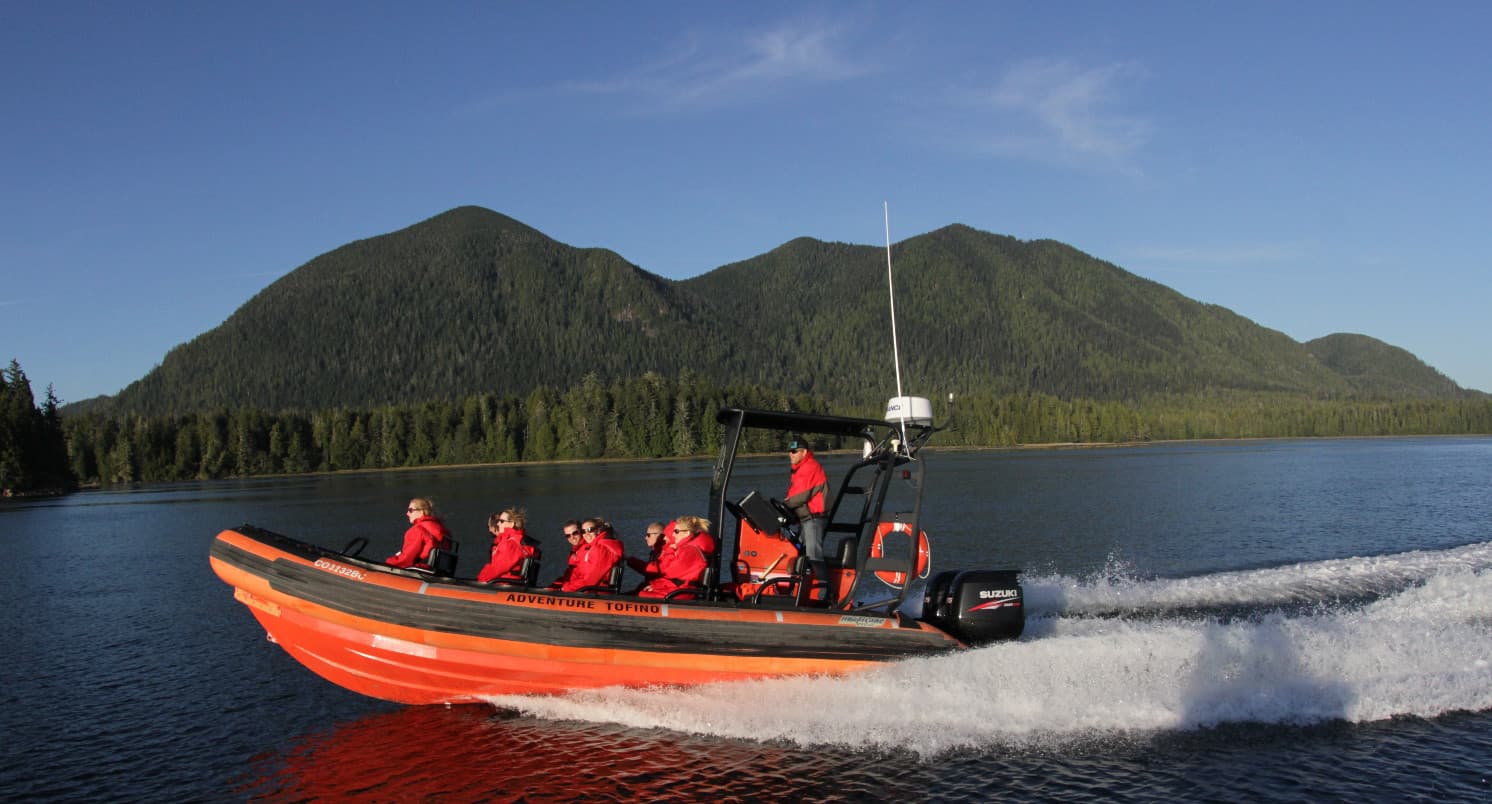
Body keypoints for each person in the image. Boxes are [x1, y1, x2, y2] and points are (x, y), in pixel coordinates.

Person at [784, 437, 830, 591]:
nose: (791, 454)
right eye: (790, 452)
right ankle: (798, 591)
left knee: (813, 555)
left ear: (804, 452)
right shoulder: (799, 469)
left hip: (814, 519)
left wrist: (786, 504)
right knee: (800, 552)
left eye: (794, 452)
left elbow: (801, 495)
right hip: (805, 519)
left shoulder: (810, 467)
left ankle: (825, 593)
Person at [638, 516, 716, 600]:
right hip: (682, 589)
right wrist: (655, 585)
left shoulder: (689, 551)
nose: (673, 534)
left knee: (641, 595)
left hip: (684, 592)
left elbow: (669, 572)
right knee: (642, 592)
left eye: (676, 531)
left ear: (687, 533)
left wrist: (656, 586)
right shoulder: (686, 549)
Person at [385, 497, 452, 570]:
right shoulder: (441, 528)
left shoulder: (417, 530)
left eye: (410, 510)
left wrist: (389, 561)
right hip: (439, 571)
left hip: (422, 570)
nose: (407, 513)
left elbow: (406, 560)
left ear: (421, 512)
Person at [476, 508, 540, 584]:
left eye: (502, 521)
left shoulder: (510, 544)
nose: (498, 524)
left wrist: (480, 580)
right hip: (510, 583)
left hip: (504, 584)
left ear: (512, 524)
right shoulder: (519, 541)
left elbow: (497, 568)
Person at [560, 518, 624, 592]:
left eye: (590, 530)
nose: (586, 534)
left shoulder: (601, 549)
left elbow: (590, 581)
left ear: (598, 530)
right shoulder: (594, 547)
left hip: (596, 594)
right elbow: (578, 575)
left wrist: (565, 589)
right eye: (583, 531)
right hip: (589, 591)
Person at [626, 521, 669, 593]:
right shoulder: (655, 552)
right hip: (651, 586)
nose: (645, 538)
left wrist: (629, 560)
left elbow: (653, 572)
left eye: (648, 535)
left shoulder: (663, 553)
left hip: (656, 589)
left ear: (661, 536)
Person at [547, 520, 585, 589]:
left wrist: (565, 588)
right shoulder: (575, 550)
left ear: (581, 532)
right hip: (573, 588)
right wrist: (552, 587)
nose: (572, 537)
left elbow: (586, 579)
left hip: (580, 592)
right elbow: (569, 575)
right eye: (568, 535)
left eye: (575, 533)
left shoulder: (586, 550)